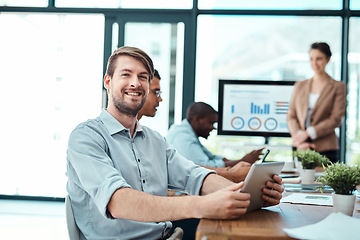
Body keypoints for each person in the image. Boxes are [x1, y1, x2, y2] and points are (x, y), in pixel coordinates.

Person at [66, 46, 284, 240]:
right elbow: (118, 201)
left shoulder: (155, 140)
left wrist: (249, 196)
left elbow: (195, 176)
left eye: (143, 77)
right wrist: (201, 206)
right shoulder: (86, 137)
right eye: (126, 74)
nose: (135, 82)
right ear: (108, 81)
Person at [167, 102, 264, 182]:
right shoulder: (183, 136)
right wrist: (241, 161)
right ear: (197, 119)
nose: (213, 127)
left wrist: (241, 161)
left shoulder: (188, 133)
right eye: (211, 123)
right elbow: (206, 167)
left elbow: (213, 157)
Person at [287, 42, 346, 163]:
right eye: (311, 59)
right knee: (298, 181)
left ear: (328, 59)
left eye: (319, 58)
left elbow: (335, 119)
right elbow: (291, 115)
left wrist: (308, 133)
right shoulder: (300, 85)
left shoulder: (338, 87)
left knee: (325, 181)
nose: (314, 63)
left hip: (326, 147)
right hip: (300, 146)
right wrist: (299, 138)